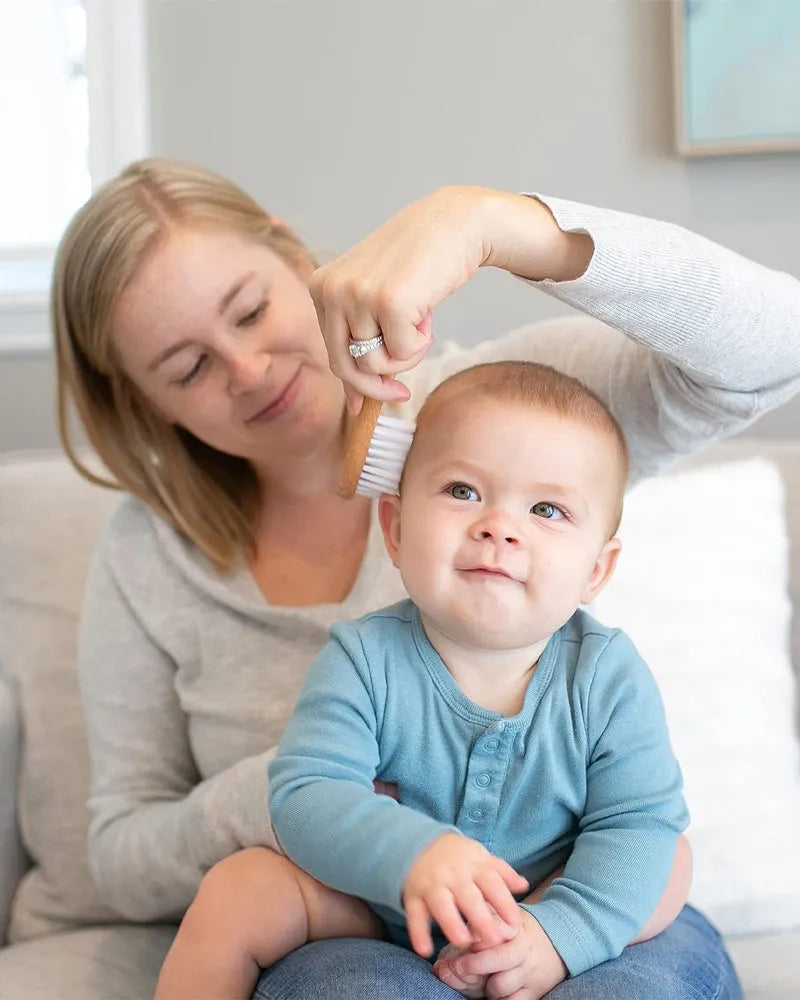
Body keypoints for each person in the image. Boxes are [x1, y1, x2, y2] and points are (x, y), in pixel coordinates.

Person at [53, 156, 800, 999]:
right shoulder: (174, 566)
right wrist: (304, 794)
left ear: (298, 259)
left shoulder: (511, 417)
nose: (251, 370)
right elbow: (124, 855)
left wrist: (495, 225)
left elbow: (780, 343)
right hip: (363, 916)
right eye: (188, 367)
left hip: (582, 902)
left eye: (253, 311)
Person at [153, 360, 693, 1000]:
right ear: (398, 527)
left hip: (551, 888)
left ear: (595, 572)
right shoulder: (363, 658)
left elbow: (635, 823)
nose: (499, 526)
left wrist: (556, 935)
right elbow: (306, 792)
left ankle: (549, 945)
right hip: (382, 905)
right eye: (463, 491)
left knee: (665, 860)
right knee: (238, 889)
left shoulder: (606, 678)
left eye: (547, 509)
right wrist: (411, 853)